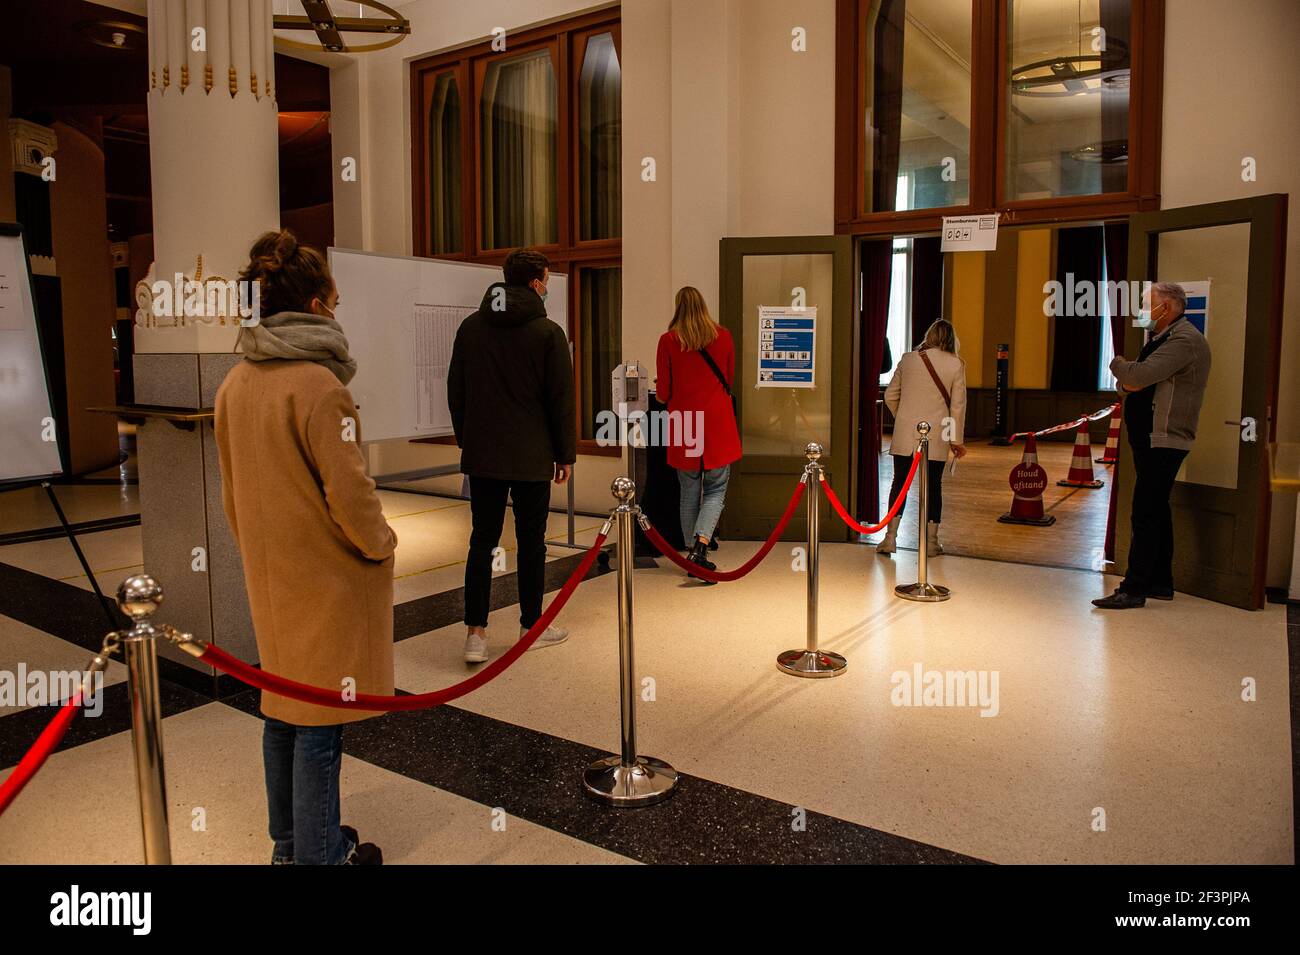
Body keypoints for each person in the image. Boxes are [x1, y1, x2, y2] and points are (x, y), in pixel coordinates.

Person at [215, 229, 393, 865]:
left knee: (282, 709)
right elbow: (351, 493)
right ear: (316, 306)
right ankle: (322, 857)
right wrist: (381, 542)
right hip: (325, 578)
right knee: (321, 717)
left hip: (271, 574)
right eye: (336, 301)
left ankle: (291, 845)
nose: (338, 313)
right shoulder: (321, 387)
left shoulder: (234, 384)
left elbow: (233, 492)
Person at [448, 248, 576, 662]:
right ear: (536, 283)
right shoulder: (548, 333)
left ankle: (475, 634)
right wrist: (564, 454)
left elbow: (456, 392)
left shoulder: (471, 328)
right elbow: (559, 400)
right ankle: (530, 625)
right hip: (531, 455)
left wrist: (468, 438)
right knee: (531, 542)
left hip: (484, 454)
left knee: (481, 541)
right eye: (546, 281)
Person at [1093, 282, 1210, 609]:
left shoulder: (1184, 340)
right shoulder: (1162, 339)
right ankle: (1160, 582)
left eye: (1148, 305)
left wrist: (1117, 363)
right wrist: (1128, 378)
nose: (1143, 312)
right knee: (1157, 509)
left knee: (1145, 511)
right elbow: (1128, 385)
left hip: (1165, 439)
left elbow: (1135, 377)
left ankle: (1134, 588)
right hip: (1150, 439)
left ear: (1168, 308)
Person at [655, 286, 742, 581]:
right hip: (717, 422)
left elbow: (664, 392)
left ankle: (692, 553)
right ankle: (701, 547)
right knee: (716, 489)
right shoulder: (724, 336)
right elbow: (728, 379)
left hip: (684, 423)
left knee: (688, 491)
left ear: (678, 307)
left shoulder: (668, 341)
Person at [879, 318, 968, 557]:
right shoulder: (956, 364)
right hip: (937, 433)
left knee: (900, 483)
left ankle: (889, 538)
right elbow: (957, 407)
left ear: (929, 336)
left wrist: (904, 418)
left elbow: (890, 396)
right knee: (933, 485)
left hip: (906, 431)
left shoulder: (909, 359)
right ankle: (931, 543)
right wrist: (955, 440)